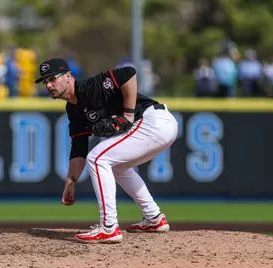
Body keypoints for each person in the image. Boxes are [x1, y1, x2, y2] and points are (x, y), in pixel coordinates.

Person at [34, 58, 178, 243]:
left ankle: (109, 227)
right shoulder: (73, 109)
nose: (49, 84)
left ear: (68, 76)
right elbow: (79, 147)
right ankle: (154, 217)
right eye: (45, 81)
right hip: (156, 127)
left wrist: (127, 114)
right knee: (116, 166)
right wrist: (71, 182)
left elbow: (128, 74)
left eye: (53, 78)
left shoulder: (91, 87)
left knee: (98, 158)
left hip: (153, 120)